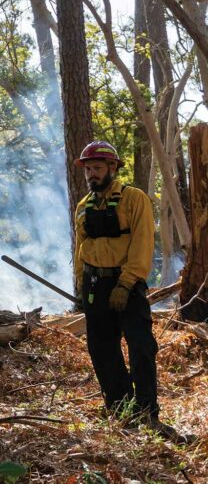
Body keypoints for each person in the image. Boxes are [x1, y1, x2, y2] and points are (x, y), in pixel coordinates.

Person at [73, 140, 190, 443]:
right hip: (95, 285)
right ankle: (121, 409)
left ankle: (147, 411)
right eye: (88, 169)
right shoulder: (83, 207)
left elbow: (141, 244)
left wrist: (125, 284)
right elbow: (80, 249)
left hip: (128, 284)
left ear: (113, 168)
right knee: (101, 348)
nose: (92, 174)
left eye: (97, 168)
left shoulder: (133, 199)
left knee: (140, 346)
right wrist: (80, 286)